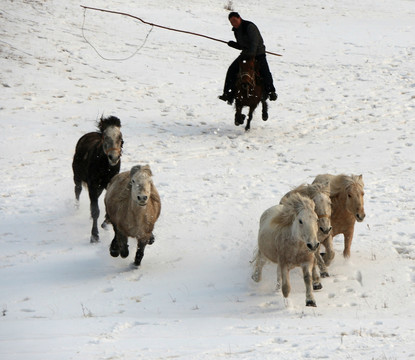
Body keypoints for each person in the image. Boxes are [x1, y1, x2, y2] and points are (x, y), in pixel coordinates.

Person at [219, 12, 278, 105]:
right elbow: (242, 45)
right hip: (246, 54)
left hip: (258, 53)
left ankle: (271, 91)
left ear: (239, 18)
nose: (233, 23)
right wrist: (233, 44)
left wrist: (251, 55)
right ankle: (228, 93)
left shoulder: (249, 27)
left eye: (234, 20)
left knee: (265, 71)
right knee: (232, 69)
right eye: (231, 22)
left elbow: (254, 43)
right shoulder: (236, 30)